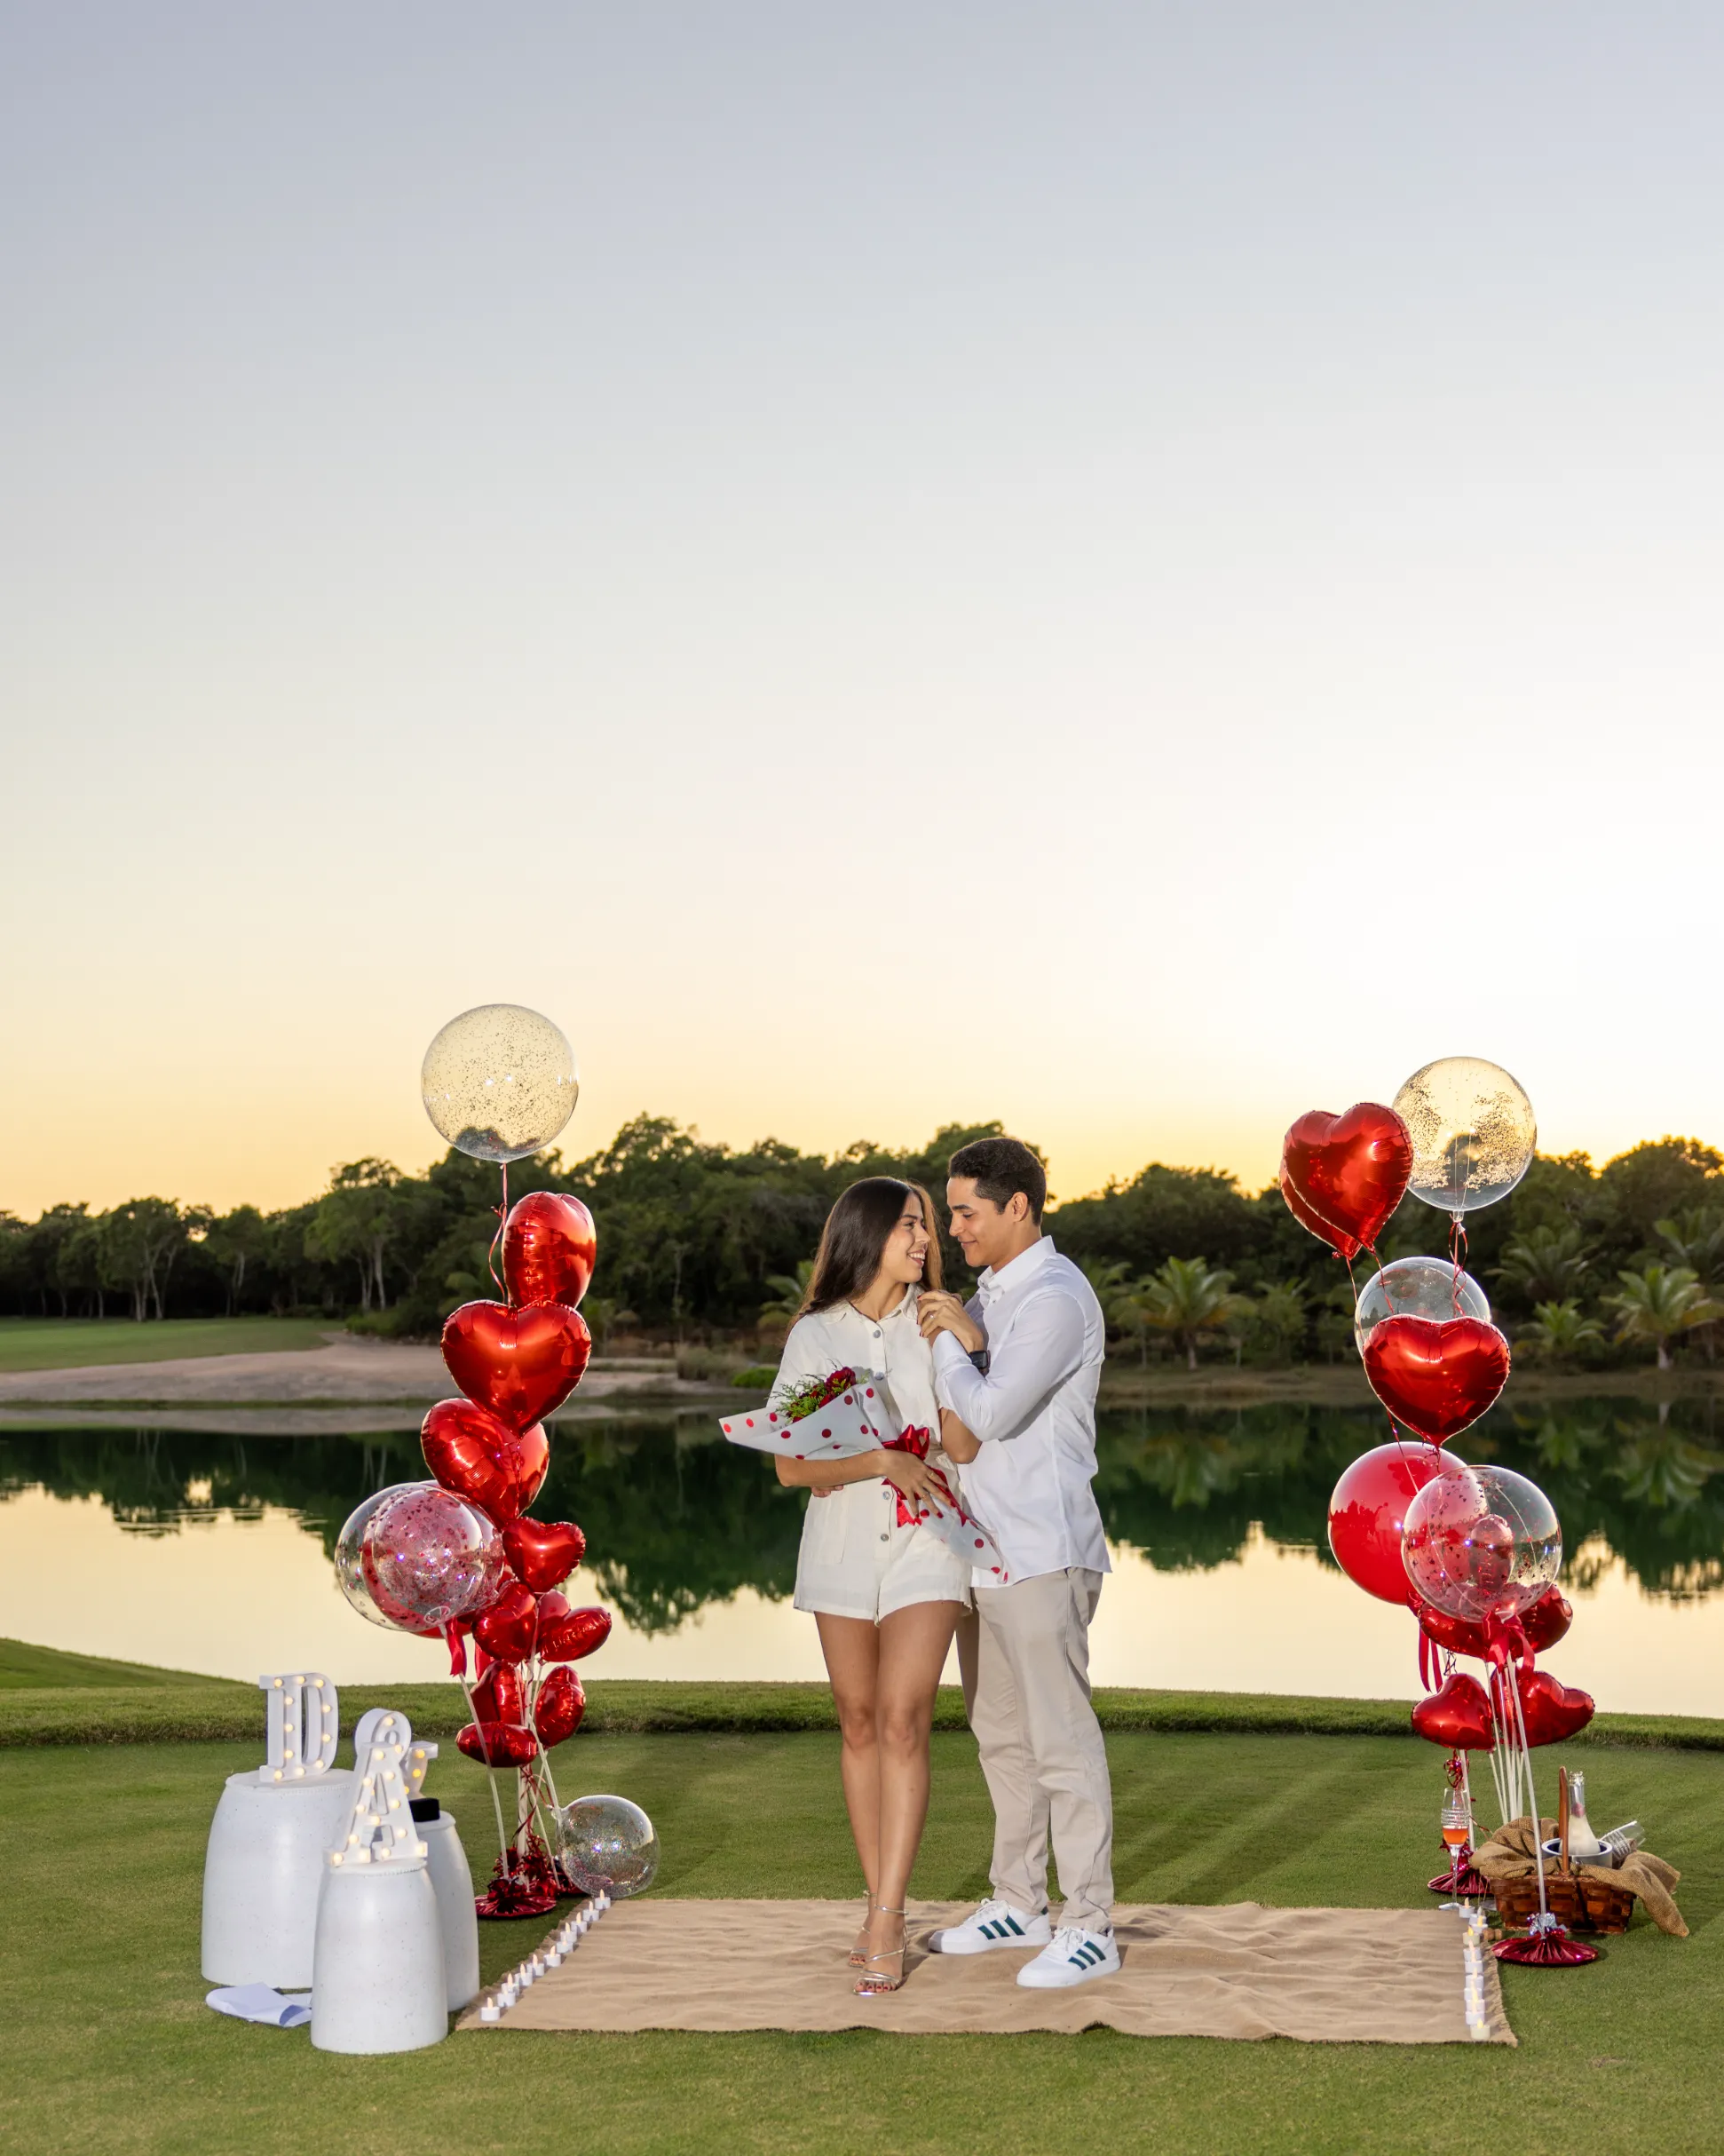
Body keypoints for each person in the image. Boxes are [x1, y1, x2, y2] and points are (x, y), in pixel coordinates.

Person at [916, 1135, 1118, 1988]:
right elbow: (959, 1432)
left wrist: (951, 1343)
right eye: (951, 1211)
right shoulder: (988, 1297)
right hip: (985, 1550)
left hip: (1044, 1548)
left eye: (966, 1211)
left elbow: (990, 1414)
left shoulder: (1054, 1299)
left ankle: (1091, 1923)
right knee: (1000, 1735)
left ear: (1018, 1208)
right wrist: (959, 1333)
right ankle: (1018, 1901)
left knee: (1061, 1742)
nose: (952, 1228)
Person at [768, 1177, 975, 1996]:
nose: (924, 1240)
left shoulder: (938, 1328)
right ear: (867, 1235)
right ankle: (877, 1901)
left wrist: (971, 1348)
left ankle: (887, 1919)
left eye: (926, 1226)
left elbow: (963, 1440)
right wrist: (881, 1460)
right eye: (909, 1227)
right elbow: (791, 1464)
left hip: (930, 1538)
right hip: (843, 1543)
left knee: (902, 1718)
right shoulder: (815, 1337)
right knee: (857, 1720)